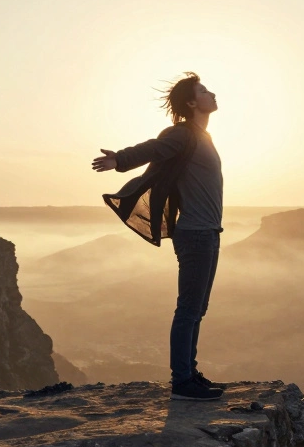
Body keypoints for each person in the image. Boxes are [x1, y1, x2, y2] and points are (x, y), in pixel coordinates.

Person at [91, 72, 225, 401]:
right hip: (194, 234)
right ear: (192, 103)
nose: (212, 93)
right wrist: (119, 159)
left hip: (209, 232)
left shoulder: (203, 137)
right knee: (189, 309)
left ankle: (189, 373)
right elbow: (154, 148)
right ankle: (182, 381)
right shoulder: (182, 134)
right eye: (204, 90)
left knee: (199, 308)